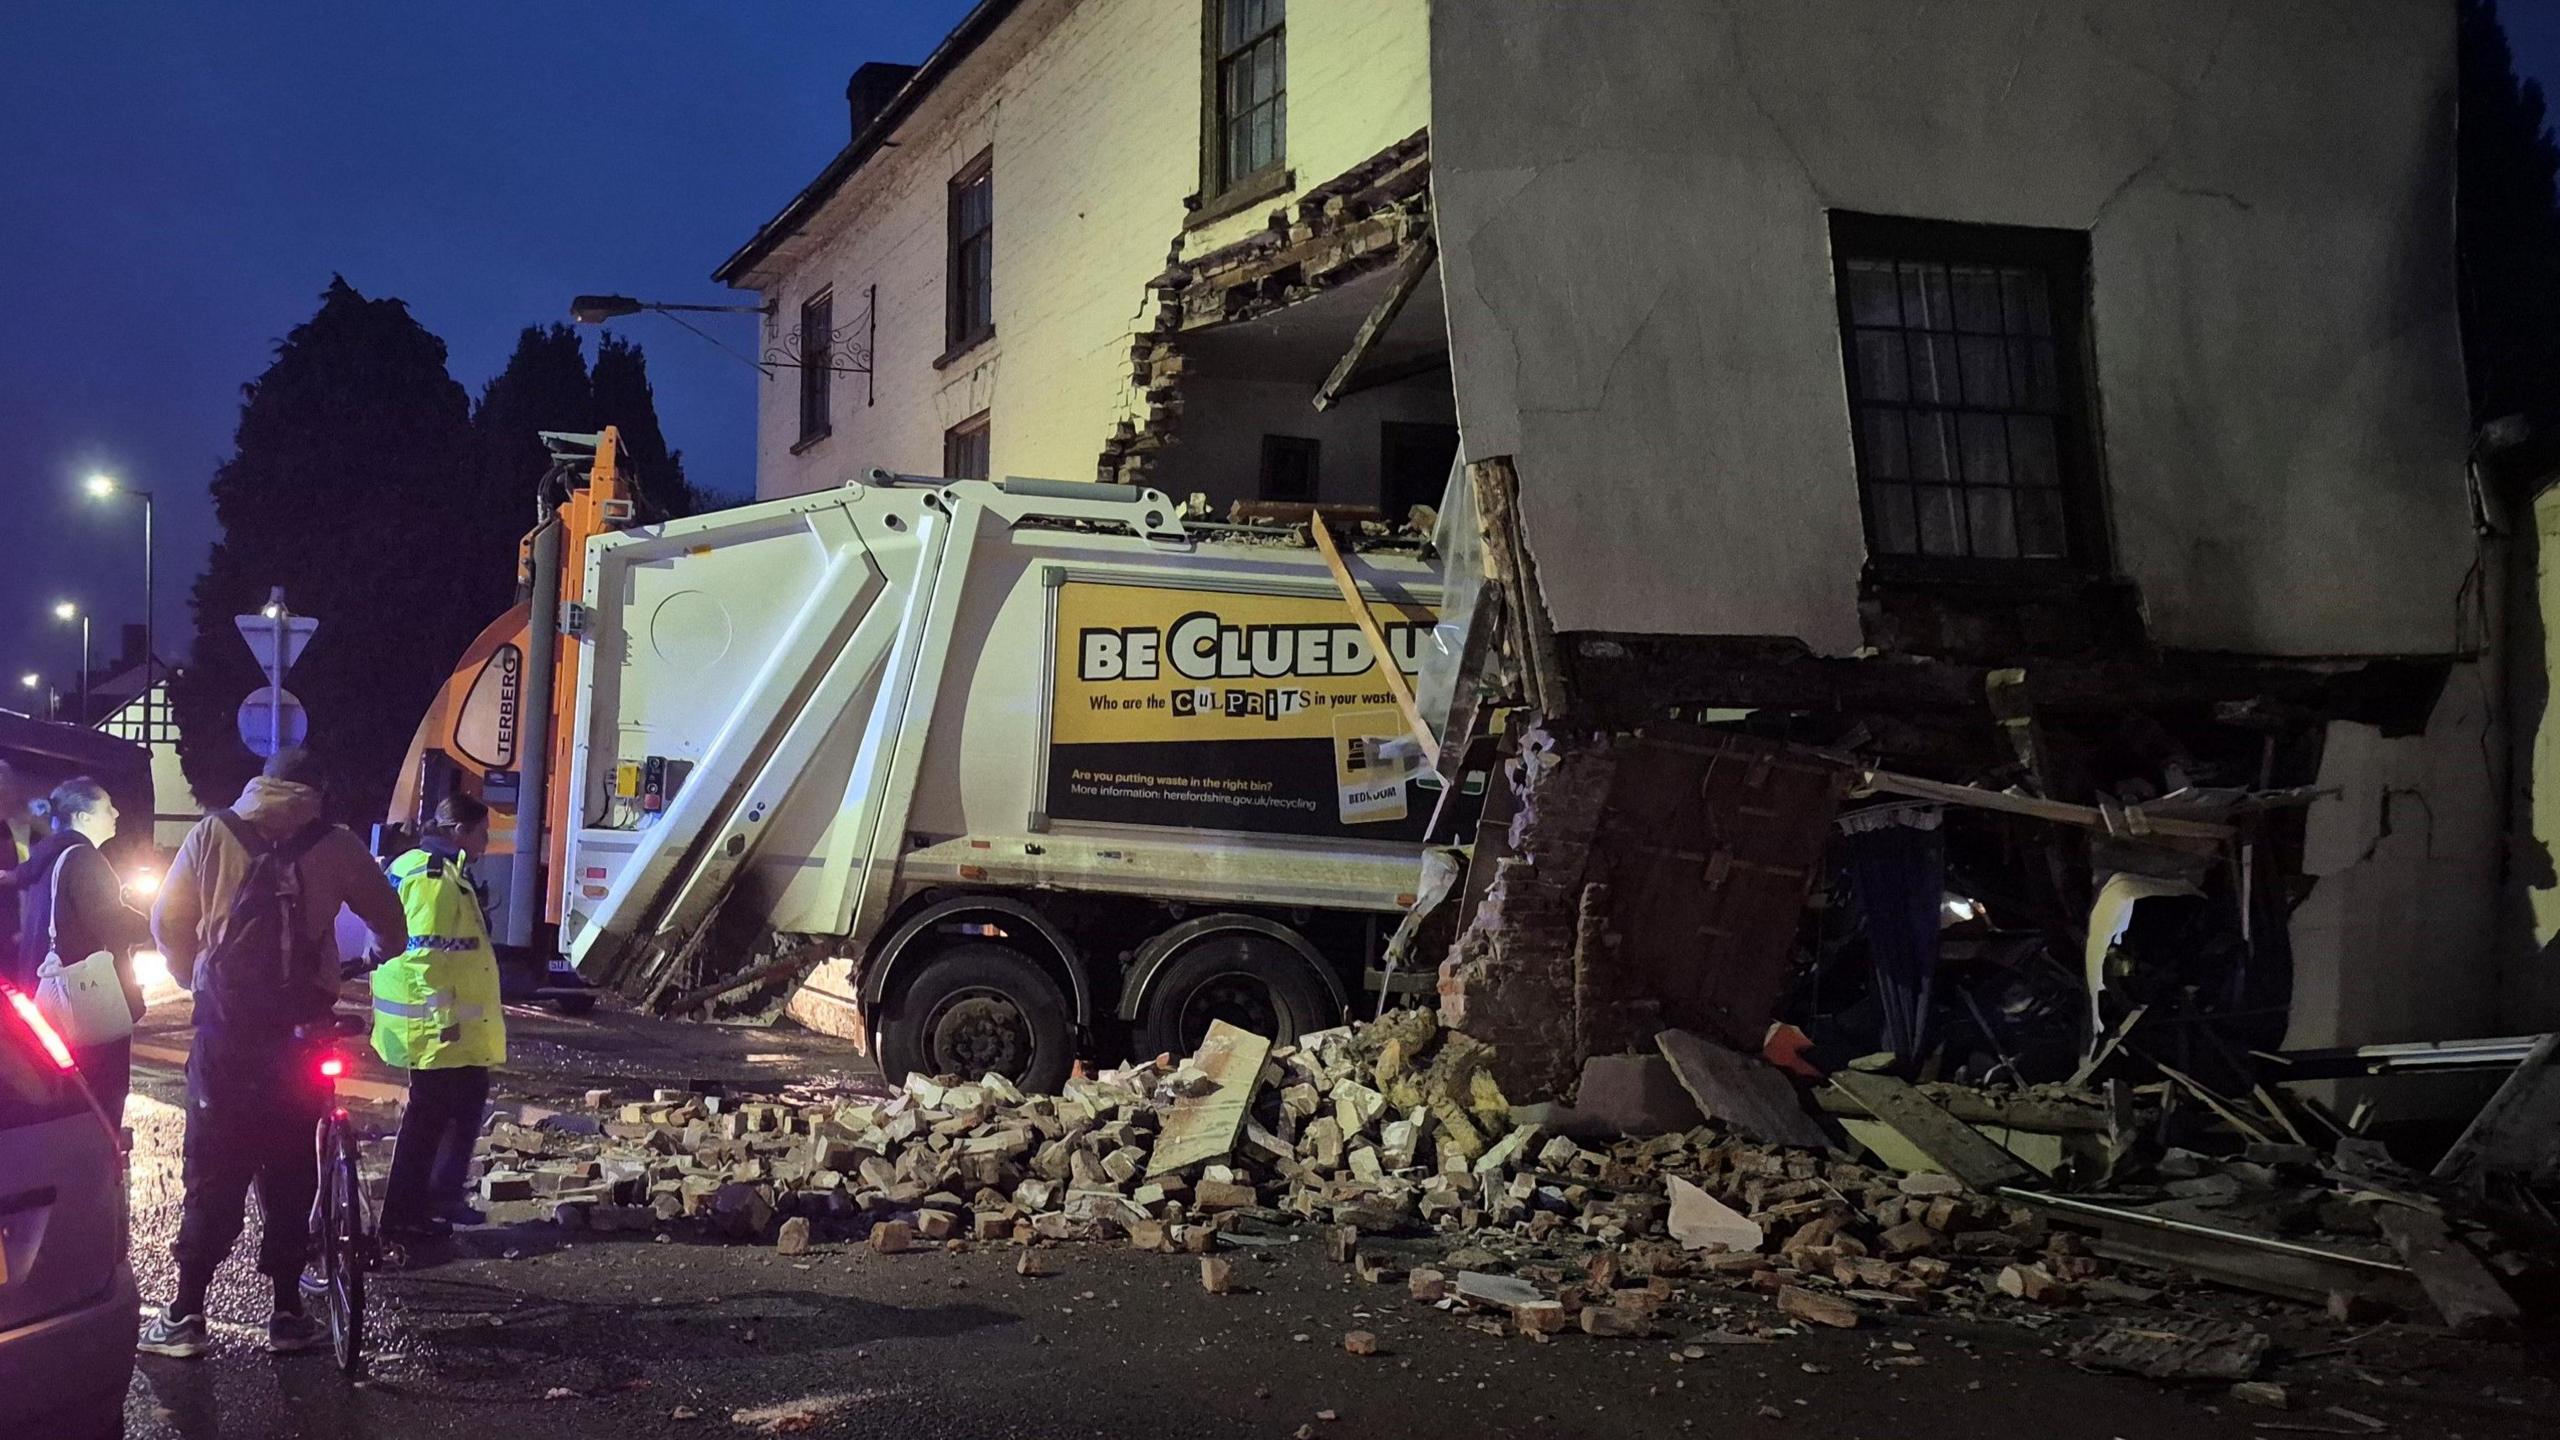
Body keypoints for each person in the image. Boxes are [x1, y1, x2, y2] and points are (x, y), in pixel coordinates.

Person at [138, 748, 404, 1360]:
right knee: (291, 1167)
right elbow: (389, 920)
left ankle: (185, 1315)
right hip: (301, 1030)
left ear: (262, 781)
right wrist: (378, 954)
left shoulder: (213, 832)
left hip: (226, 1034)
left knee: (213, 1169)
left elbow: (167, 921)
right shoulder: (335, 844)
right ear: (318, 790)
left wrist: (195, 976)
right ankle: (287, 1313)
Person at [373, 792, 506, 1241]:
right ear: (458, 832)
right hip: (436, 1025)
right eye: (481, 832)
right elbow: (425, 957)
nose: (486, 840)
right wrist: (443, 1019)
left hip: (444, 1022)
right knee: (429, 1119)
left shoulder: (435, 869)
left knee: (462, 1103)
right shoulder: (433, 878)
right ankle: (404, 1217)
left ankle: (439, 1199)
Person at [7, 777, 151, 1122]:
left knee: (67, 1102)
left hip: (54, 1000)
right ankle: (100, 1172)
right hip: (89, 1004)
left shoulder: (49, 859)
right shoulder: (84, 859)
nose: (115, 813)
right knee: (101, 1100)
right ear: (83, 817)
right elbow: (111, 925)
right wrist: (142, 920)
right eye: (106, 807)